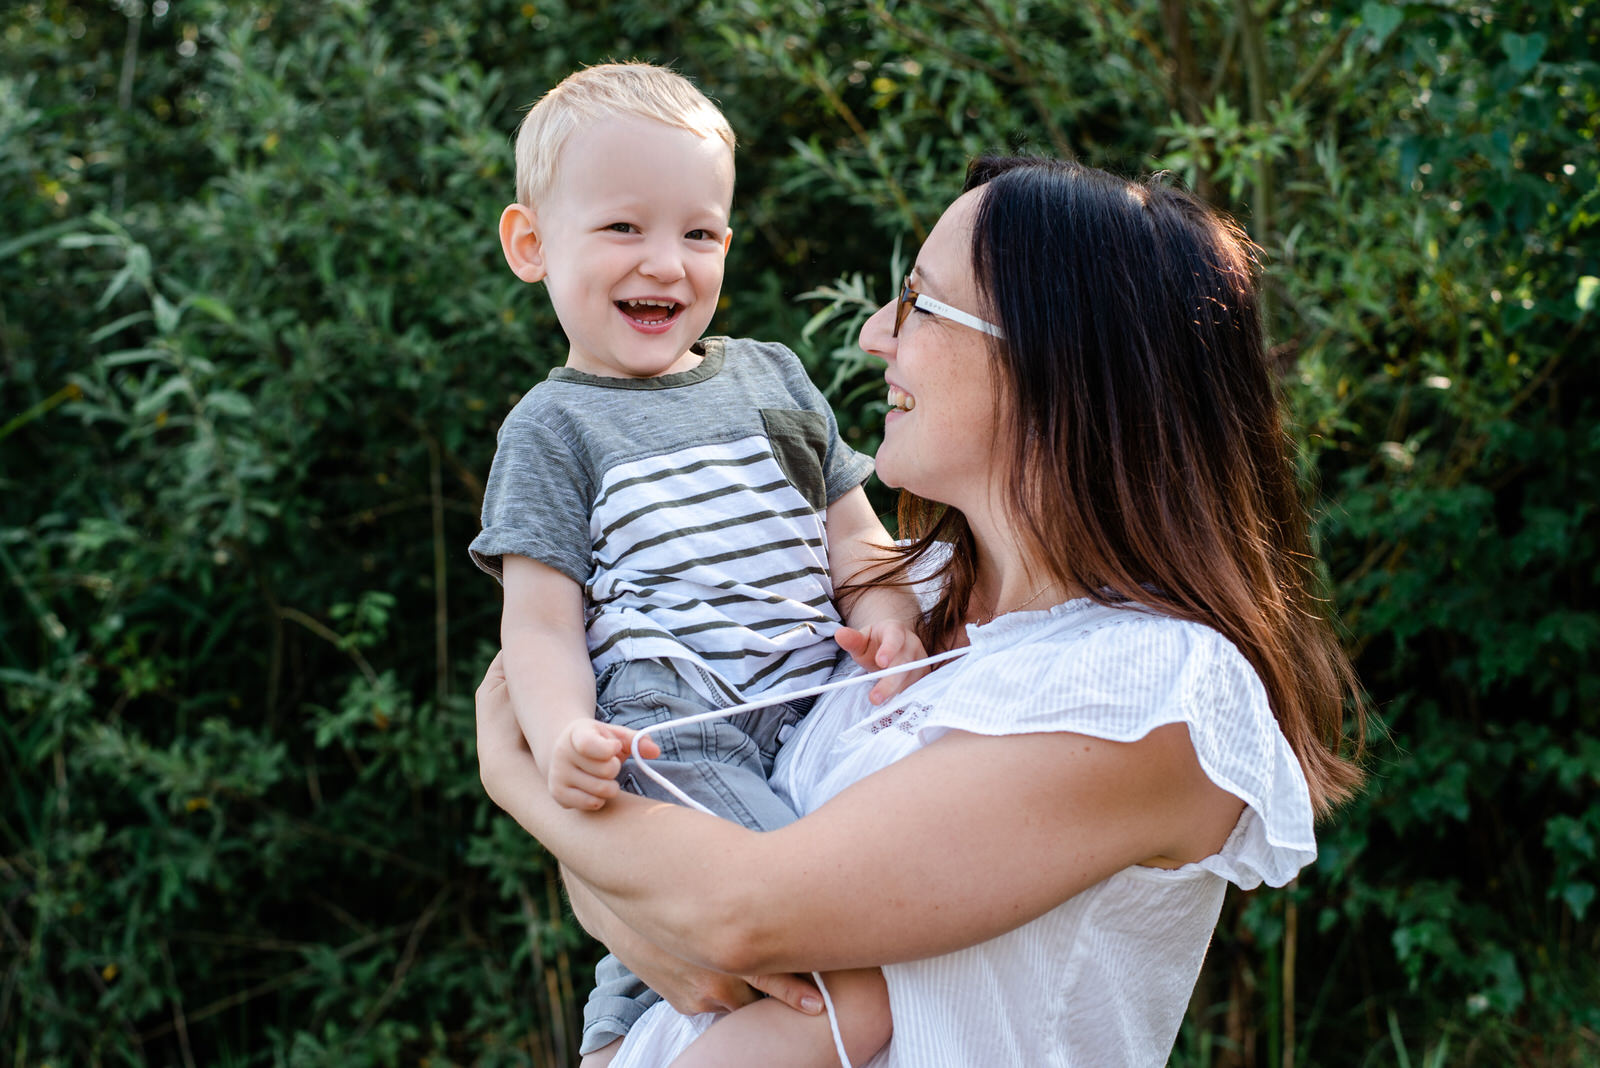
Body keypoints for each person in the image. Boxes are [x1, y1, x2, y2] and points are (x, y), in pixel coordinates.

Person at [476, 152, 1366, 1067]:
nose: (872, 334)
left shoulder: (1151, 686)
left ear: (1055, 356)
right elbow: (658, 897)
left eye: (919, 302)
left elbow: (733, 913)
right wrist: (623, 887)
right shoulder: (901, 601)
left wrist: (519, 787)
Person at [468, 62, 919, 1067]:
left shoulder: (772, 376)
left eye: (698, 232)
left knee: (669, 950)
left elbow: (855, 537)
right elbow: (539, 625)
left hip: (813, 715)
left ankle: (614, 1040)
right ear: (531, 244)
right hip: (679, 735)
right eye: (624, 228)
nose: (665, 264)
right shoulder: (554, 427)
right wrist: (561, 735)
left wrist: (889, 609)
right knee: (847, 999)